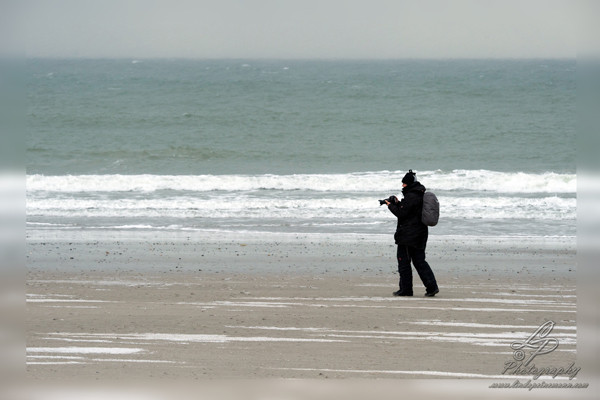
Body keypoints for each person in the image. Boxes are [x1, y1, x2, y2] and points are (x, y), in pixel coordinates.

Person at [385, 170, 439, 297]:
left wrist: (390, 205)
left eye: (404, 183)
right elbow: (408, 210)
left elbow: (402, 214)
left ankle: (406, 289)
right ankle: (432, 287)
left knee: (403, 261)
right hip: (420, 234)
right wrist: (398, 203)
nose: (402, 186)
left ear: (408, 184)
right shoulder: (418, 194)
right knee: (420, 261)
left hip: (409, 236)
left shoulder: (411, 196)